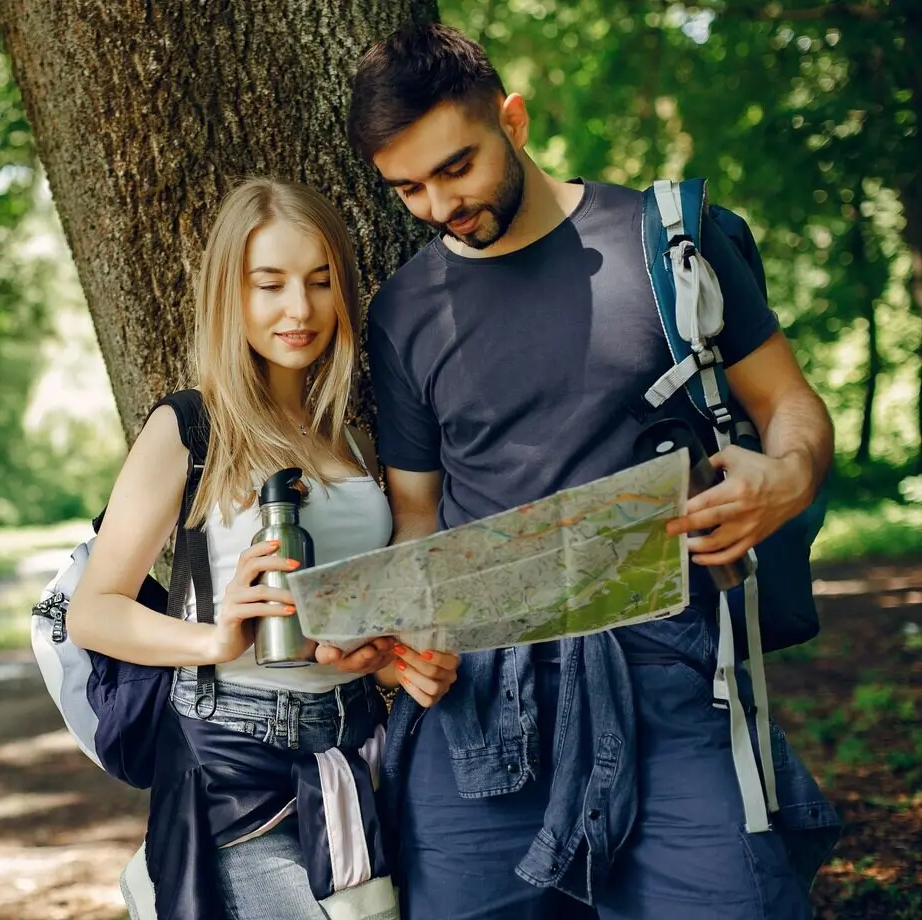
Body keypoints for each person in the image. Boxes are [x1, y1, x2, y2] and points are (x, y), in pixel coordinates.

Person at [343, 23, 842, 920]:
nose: (437, 205)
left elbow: (789, 404)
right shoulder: (403, 310)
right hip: (483, 701)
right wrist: (397, 643)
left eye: (456, 168)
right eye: (408, 188)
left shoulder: (671, 240)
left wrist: (791, 476)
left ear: (515, 120)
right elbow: (416, 521)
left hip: (673, 675)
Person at [65, 176, 460, 920]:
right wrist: (214, 636)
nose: (298, 309)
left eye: (319, 282)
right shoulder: (188, 430)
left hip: (355, 750)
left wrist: (380, 653)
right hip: (233, 761)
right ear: (229, 295)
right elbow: (95, 610)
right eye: (269, 283)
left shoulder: (350, 437)